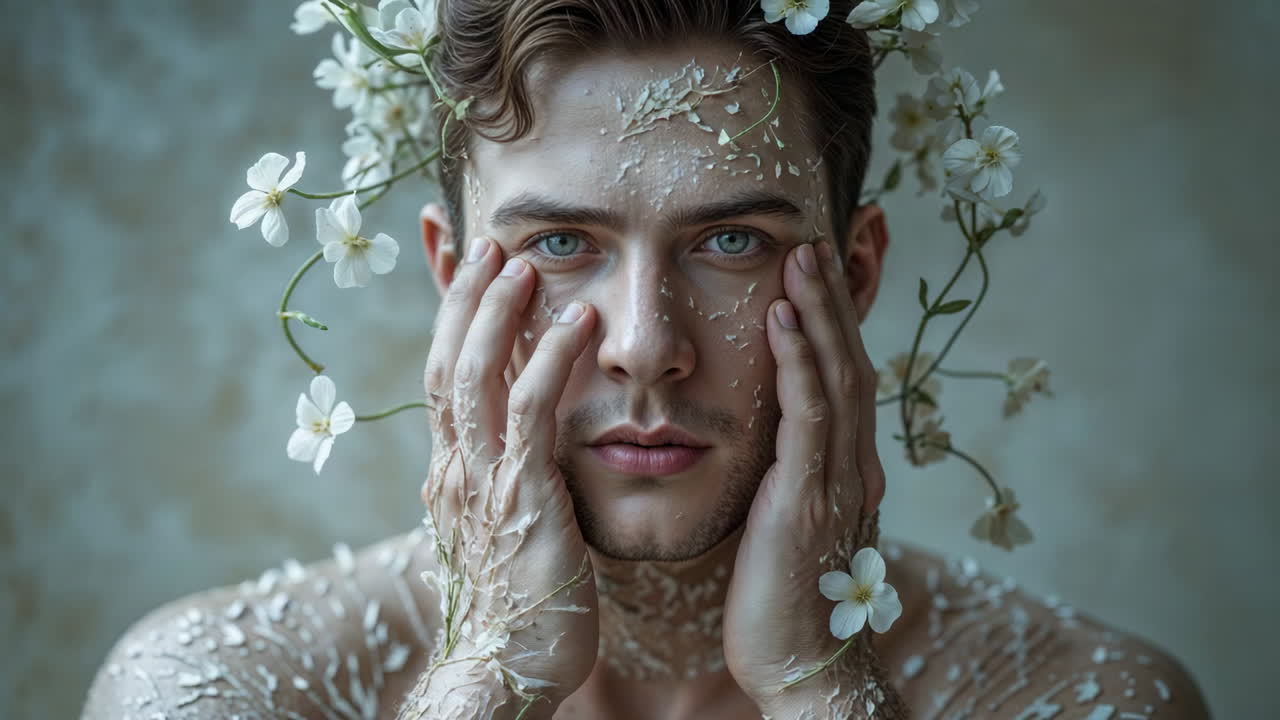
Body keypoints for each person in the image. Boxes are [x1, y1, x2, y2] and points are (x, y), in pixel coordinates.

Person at [83, 1, 1211, 717]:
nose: (644, 347)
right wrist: (487, 679)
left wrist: (822, 691)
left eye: (731, 242)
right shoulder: (216, 691)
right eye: (560, 244)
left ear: (853, 273)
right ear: (450, 275)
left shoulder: (1077, 698)